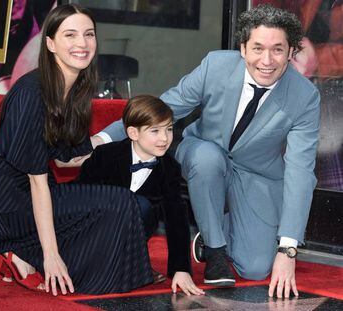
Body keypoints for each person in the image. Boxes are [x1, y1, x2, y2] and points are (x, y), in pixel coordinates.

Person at [93, 4, 320, 299]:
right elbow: (165, 107)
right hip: (204, 154)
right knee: (208, 158)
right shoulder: (216, 65)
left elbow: (300, 171)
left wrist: (288, 250)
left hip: (257, 174)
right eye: (257, 48)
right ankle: (214, 251)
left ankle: (213, 230)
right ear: (242, 48)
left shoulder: (305, 96)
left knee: (254, 268)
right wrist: (102, 138)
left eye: (278, 50)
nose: (266, 60)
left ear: (291, 52)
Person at [0, 4, 153, 296]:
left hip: (40, 194)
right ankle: (25, 253)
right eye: (70, 35)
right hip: (14, 209)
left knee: (134, 202)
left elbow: (69, 158)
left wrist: (131, 146)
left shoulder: (74, 88)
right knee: (120, 203)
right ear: (50, 43)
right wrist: (51, 255)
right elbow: (36, 181)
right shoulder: (31, 93)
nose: (81, 44)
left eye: (88, 34)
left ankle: (27, 258)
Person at [78, 95, 204, 296]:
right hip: (91, 233)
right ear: (133, 133)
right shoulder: (105, 156)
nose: (164, 138)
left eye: (169, 129)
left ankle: (127, 263)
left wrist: (180, 269)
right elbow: (77, 199)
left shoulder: (169, 168)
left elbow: (176, 218)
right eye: (155, 131)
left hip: (132, 238)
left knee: (143, 207)